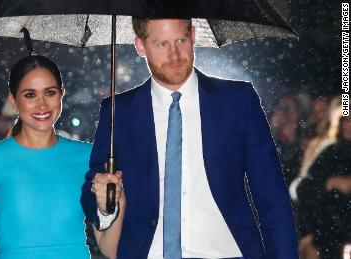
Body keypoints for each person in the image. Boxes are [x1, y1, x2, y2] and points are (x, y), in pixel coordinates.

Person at [81, 18, 298, 259]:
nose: (174, 55)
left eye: (181, 41)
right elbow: (93, 190)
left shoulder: (238, 100)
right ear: (140, 46)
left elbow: (272, 198)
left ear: (193, 36)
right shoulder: (117, 111)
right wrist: (103, 203)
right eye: (162, 44)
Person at [0, 55, 122, 259]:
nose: (42, 104)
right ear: (13, 100)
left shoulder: (89, 157)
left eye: (50, 92)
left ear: (62, 95)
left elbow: (111, 249)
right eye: (30, 95)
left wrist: (113, 203)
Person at [296, 114, 351, 259]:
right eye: (346, 119)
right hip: (327, 238)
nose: (348, 124)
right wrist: (330, 183)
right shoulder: (332, 153)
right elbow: (303, 190)